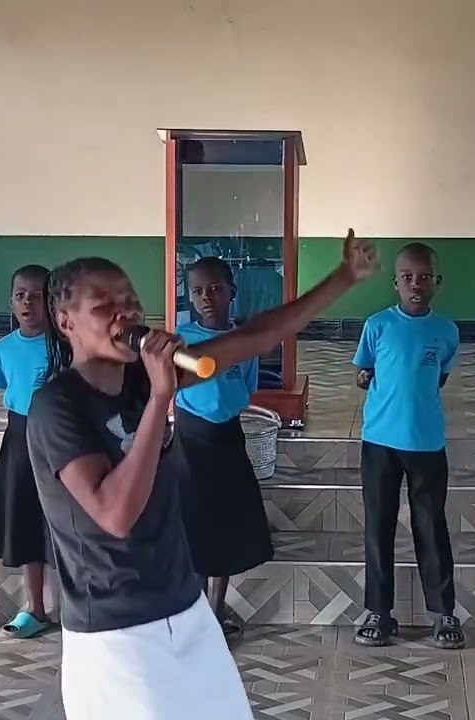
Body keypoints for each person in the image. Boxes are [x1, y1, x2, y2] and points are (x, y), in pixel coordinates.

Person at [26, 231, 376, 720]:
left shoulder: (139, 377)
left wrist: (343, 279)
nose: (126, 315)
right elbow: (115, 513)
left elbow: (254, 336)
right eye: (105, 305)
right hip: (115, 631)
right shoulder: (56, 407)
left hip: (184, 607)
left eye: (131, 301)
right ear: (65, 321)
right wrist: (159, 400)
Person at [352, 242, 463, 650]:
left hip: (427, 444)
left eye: (425, 277)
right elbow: (364, 370)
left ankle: (443, 612)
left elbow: (438, 378)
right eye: (408, 277)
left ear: (437, 281)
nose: (416, 284)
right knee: (378, 526)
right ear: (395, 281)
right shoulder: (377, 326)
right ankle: (379, 611)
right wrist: (367, 380)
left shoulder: (446, 331)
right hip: (379, 441)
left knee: (431, 526)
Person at [174, 256, 272, 642]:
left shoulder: (243, 342)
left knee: (226, 522)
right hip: (191, 441)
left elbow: (244, 387)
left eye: (215, 288)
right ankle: (194, 609)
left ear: (232, 291)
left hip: (228, 438)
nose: (206, 297)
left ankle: (217, 607)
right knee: (195, 524)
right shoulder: (180, 340)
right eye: (197, 291)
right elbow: (183, 379)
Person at [0, 264, 53, 639]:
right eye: (21, 295)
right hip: (20, 438)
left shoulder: (64, 348)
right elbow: (7, 387)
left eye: (37, 295)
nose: (28, 302)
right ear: (10, 301)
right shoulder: (4, 348)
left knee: (67, 520)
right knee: (25, 519)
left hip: (59, 439)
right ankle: (35, 606)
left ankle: (83, 601)